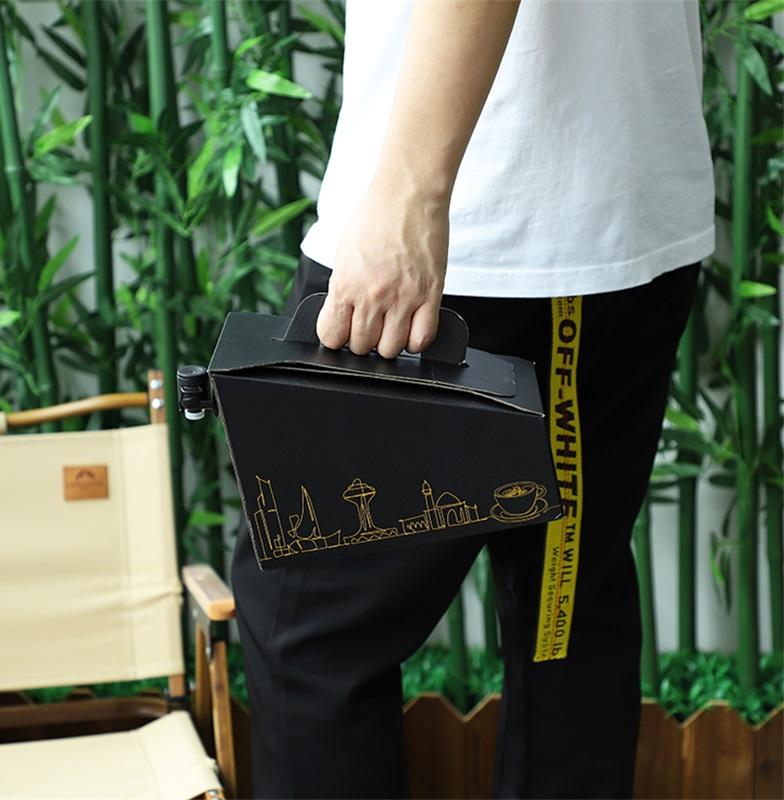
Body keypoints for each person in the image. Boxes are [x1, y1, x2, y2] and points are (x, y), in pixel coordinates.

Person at [230, 0, 715, 797]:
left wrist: (412, 196)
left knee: (309, 625)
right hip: (622, 209)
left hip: (475, 236)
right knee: (564, 620)